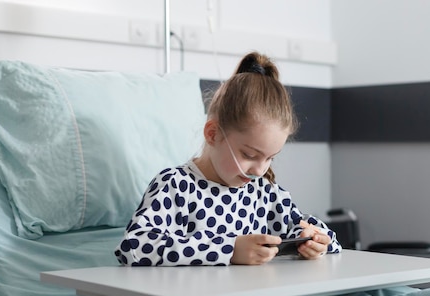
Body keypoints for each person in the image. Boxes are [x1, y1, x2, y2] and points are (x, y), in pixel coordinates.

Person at [115, 52, 342, 267]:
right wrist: (229, 250)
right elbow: (134, 247)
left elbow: (316, 235)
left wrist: (315, 242)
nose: (259, 171)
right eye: (249, 155)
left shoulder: (265, 194)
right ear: (213, 134)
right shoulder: (176, 187)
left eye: (270, 159)